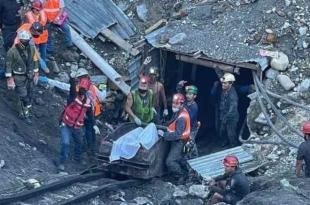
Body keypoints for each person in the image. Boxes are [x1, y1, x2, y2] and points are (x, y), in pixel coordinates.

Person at [58, 77, 94, 171]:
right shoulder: (73, 96)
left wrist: (93, 124)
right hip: (66, 123)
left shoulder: (88, 101)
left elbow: (90, 114)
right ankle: (62, 162)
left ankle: (77, 158)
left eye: (84, 89)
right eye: (81, 88)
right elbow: (72, 88)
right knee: (65, 143)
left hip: (77, 126)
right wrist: (72, 81)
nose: (82, 90)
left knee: (79, 142)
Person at [70, 68, 106, 159]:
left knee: (85, 131)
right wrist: (104, 87)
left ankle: (85, 149)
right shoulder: (92, 87)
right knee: (89, 131)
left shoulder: (78, 86)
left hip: (83, 112)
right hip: (90, 113)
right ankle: (90, 149)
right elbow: (102, 97)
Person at [5, 30, 39, 124]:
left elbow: (35, 60)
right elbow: (8, 66)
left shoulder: (31, 48)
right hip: (18, 77)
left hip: (29, 76)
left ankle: (27, 110)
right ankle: (23, 114)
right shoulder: (12, 51)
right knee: (22, 96)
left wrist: (36, 73)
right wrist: (10, 79)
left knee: (29, 94)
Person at [158, 93, 191, 180]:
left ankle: (181, 176)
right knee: (178, 158)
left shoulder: (181, 118)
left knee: (170, 161)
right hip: (175, 139)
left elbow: (177, 134)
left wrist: (164, 134)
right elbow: (172, 123)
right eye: (173, 103)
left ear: (181, 104)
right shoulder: (178, 112)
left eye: (176, 103)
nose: (174, 105)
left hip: (180, 141)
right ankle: (184, 170)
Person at [24, 0, 49, 72]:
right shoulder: (28, 15)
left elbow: (44, 24)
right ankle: (31, 67)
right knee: (32, 53)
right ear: (33, 9)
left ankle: (43, 66)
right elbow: (29, 26)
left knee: (43, 52)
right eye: (37, 10)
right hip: (33, 38)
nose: (38, 11)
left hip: (43, 37)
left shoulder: (43, 14)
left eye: (39, 10)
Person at [177, 81, 199, 157]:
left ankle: (194, 158)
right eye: (187, 94)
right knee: (189, 143)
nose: (187, 95)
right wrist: (179, 86)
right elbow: (179, 93)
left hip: (191, 129)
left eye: (190, 94)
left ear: (195, 96)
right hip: (185, 127)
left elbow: (189, 118)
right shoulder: (186, 102)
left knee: (190, 143)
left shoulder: (194, 107)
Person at [218, 73, 239, 147]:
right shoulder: (225, 89)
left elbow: (233, 109)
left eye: (225, 83)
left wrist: (225, 118)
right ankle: (225, 141)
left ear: (230, 84)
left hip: (231, 118)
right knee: (222, 131)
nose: (222, 84)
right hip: (224, 115)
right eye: (222, 83)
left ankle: (234, 146)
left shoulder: (232, 95)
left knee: (231, 134)